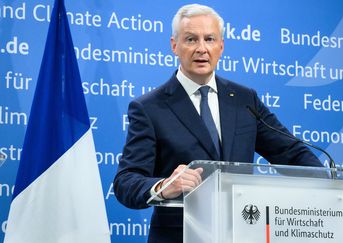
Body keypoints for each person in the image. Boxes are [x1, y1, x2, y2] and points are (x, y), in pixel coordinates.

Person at [114, 3, 323, 243]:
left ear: (221, 46)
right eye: (191, 39)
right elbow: (126, 181)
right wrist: (164, 186)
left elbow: (291, 152)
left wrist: (328, 187)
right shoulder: (149, 108)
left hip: (242, 233)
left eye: (209, 39)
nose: (201, 48)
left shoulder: (245, 100)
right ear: (174, 46)